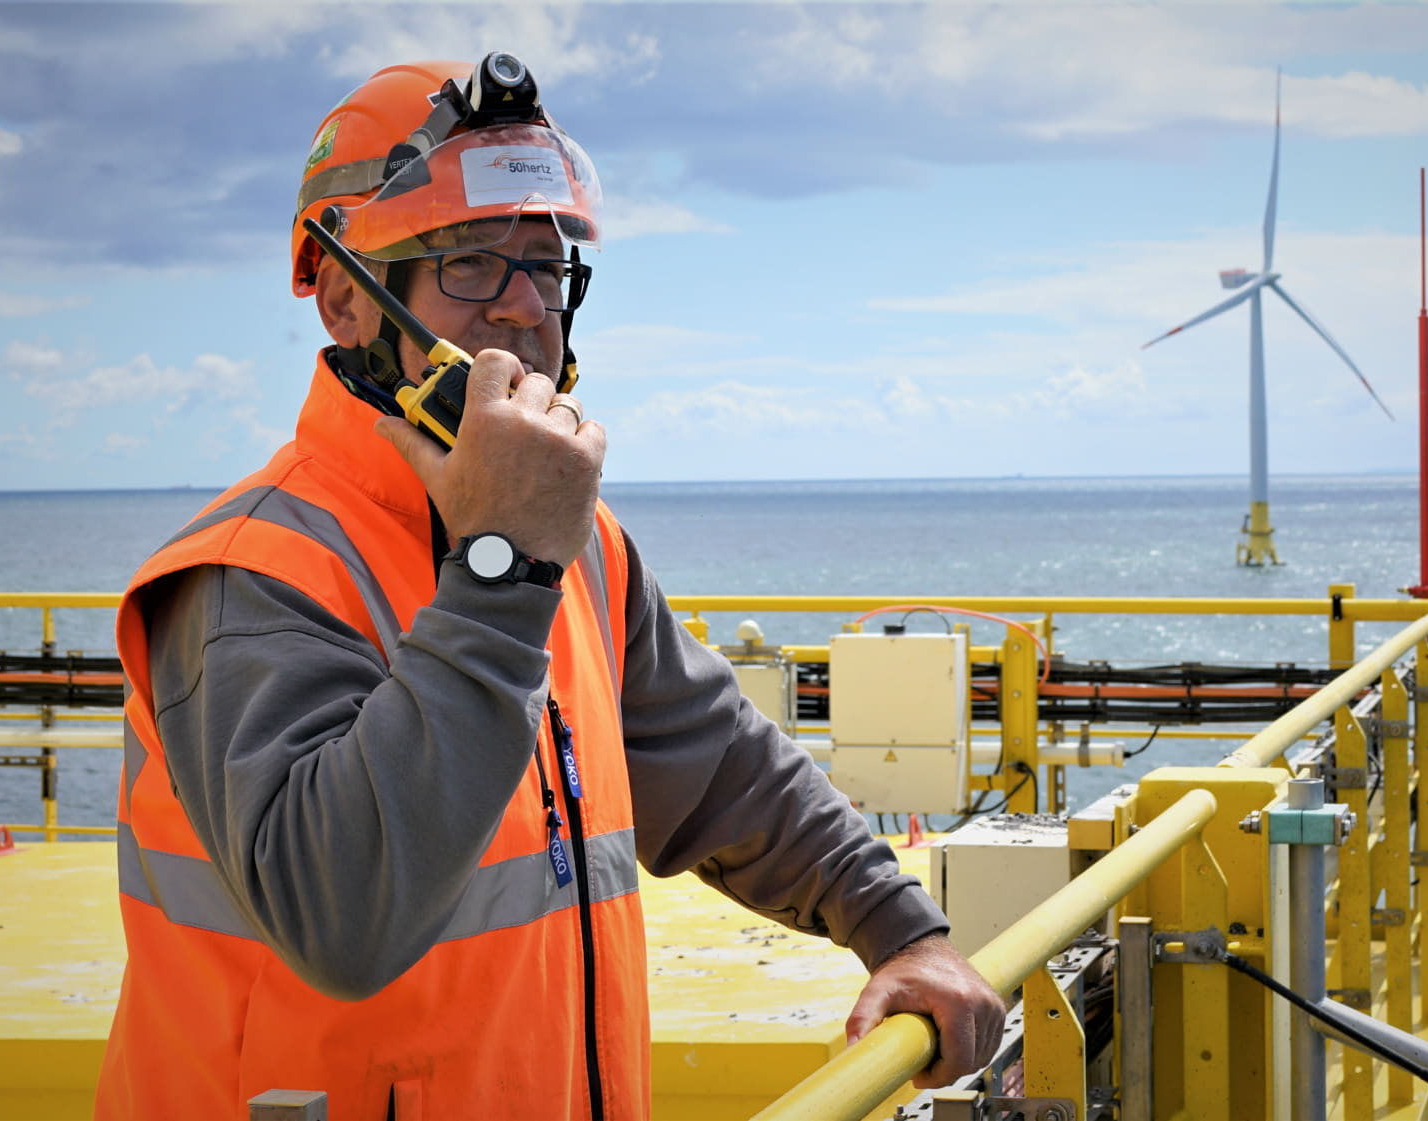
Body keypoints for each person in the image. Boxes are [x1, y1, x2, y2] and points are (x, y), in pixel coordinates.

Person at [93, 54, 1004, 1120]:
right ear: (346, 299)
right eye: (472, 262)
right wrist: (504, 566)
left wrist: (900, 928)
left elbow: (719, 766)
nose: (527, 306)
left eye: (544, 263)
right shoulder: (253, 573)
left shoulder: (578, 545)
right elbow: (341, 915)